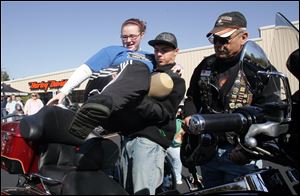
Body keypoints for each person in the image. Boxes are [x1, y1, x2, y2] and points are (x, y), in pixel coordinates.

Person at [182, 11, 281, 188]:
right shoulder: (206, 65)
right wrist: (189, 116)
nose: (219, 45)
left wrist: (248, 150)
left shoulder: (258, 69)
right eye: (215, 40)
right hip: (207, 151)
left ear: (243, 37)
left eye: (225, 39)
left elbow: (270, 112)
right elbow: (192, 97)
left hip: (240, 153)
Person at [120, 32, 186, 194]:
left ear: (176, 51)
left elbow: (164, 112)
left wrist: (136, 100)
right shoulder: (148, 73)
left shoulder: (175, 79)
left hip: (149, 140)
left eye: (164, 50)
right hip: (129, 139)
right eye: (156, 50)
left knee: (143, 191)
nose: (159, 54)